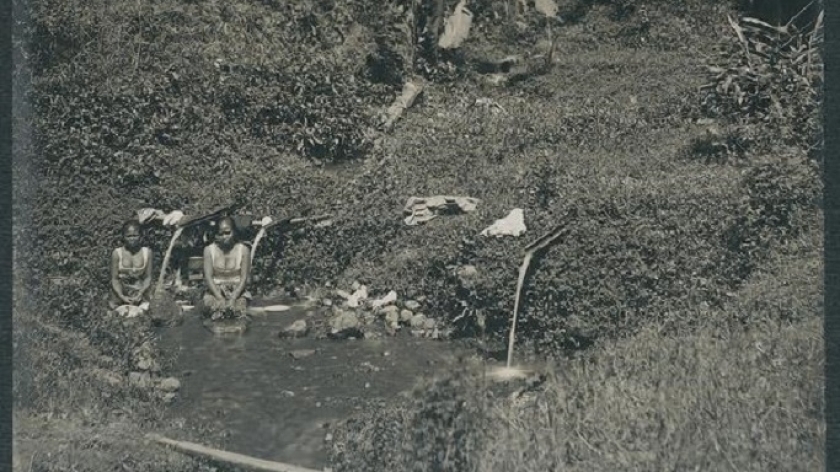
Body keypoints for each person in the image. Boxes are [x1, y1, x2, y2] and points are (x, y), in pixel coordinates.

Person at [202, 216, 251, 320]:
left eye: (228, 232)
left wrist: (233, 298)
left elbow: (244, 278)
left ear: (234, 232)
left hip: (238, 291)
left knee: (238, 312)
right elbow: (208, 277)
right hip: (215, 290)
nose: (224, 236)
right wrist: (219, 297)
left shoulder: (244, 250)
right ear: (216, 235)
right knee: (215, 311)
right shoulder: (209, 250)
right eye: (220, 234)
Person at [110, 220, 154, 313]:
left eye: (135, 235)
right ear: (123, 237)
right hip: (121, 293)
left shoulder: (147, 252)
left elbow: (148, 277)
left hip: (140, 292)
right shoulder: (117, 253)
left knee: (147, 311)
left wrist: (140, 293)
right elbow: (115, 279)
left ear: (140, 236)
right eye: (129, 236)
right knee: (118, 313)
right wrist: (121, 296)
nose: (132, 239)